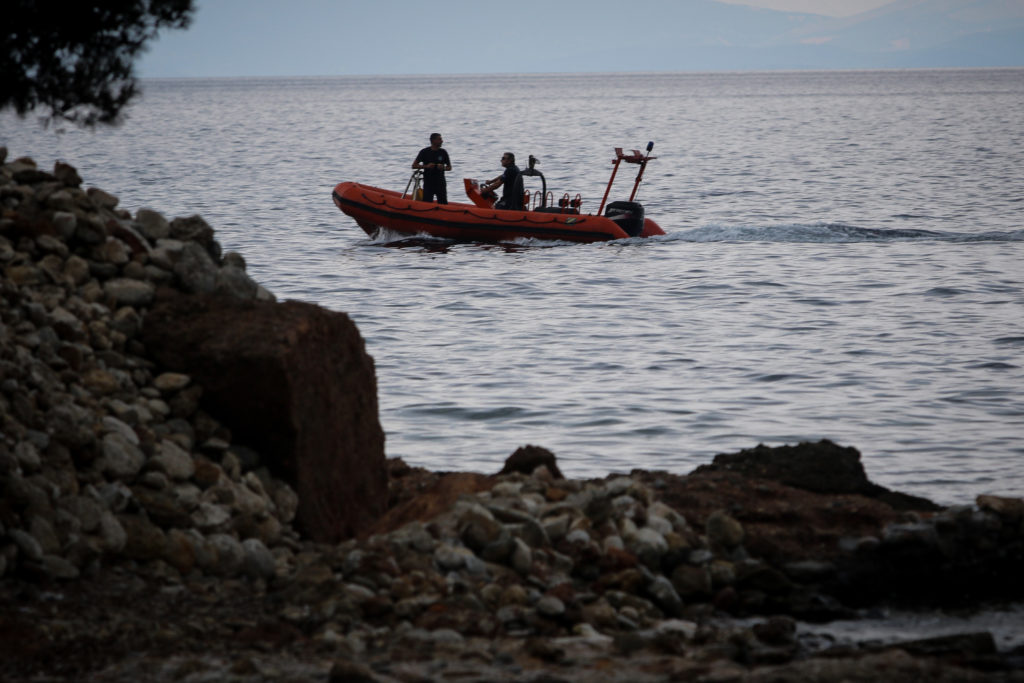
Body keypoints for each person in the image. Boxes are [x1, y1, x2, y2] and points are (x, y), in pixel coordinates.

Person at [412, 133, 452, 204]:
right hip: (428, 182)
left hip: (440, 183)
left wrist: (443, 168)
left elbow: (449, 167)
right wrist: (426, 166)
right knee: (427, 202)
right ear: (433, 140)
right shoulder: (424, 152)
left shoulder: (443, 152)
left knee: (443, 202)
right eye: (439, 139)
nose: (442, 141)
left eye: (441, 139)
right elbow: (414, 165)